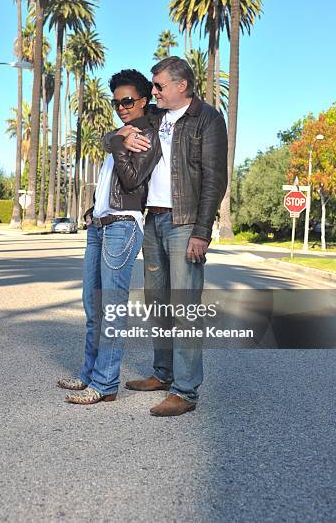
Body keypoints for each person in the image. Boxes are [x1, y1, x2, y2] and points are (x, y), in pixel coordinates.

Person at [120, 56, 228, 416]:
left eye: (159, 86)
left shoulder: (207, 119)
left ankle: (186, 391)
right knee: (157, 302)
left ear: (181, 85)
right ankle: (163, 374)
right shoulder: (155, 117)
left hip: (185, 223)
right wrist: (119, 134)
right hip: (154, 220)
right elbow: (114, 134)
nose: (153, 92)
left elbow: (215, 179)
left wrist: (202, 232)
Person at [57, 69, 162, 405]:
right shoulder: (120, 133)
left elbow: (132, 182)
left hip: (122, 226)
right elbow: (108, 173)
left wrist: (117, 141)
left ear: (144, 101)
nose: (121, 107)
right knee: (94, 308)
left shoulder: (146, 136)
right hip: (101, 226)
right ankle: (89, 375)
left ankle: (105, 384)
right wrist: (92, 211)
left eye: (128, 101)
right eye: (116, 102)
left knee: (112, 309)